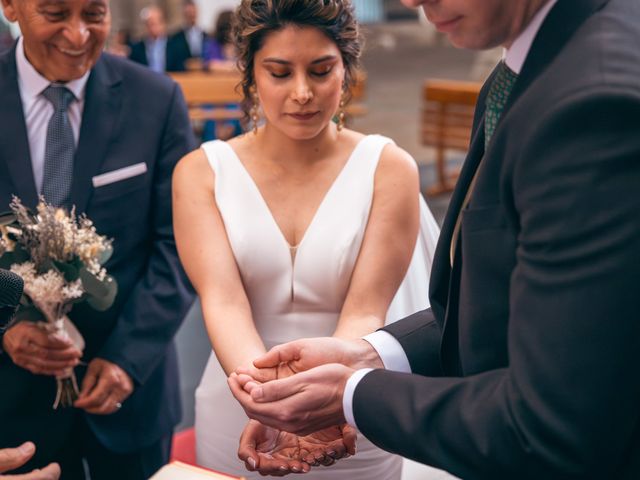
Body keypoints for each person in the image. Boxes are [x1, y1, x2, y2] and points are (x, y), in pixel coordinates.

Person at [229, 0, 640, 478]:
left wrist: (353, 394)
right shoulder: (527, 66)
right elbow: (504, 303)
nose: (410, 2)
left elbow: (552, 423)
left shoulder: (592, 101)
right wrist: (370, 354)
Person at [172, 0, 440, 478]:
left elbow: (365, 309)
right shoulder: (201, 173)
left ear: (346, 70)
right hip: (240, 398)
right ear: (251, 75)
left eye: (320, 71)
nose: (302, 93)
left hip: (350, 404)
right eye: (279, 72)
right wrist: (267, 402)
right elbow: (224, 303)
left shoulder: (389, 168)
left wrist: (324, 401)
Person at [0, 0, 195, 478]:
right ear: (10, 6)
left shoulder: (157, 99)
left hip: (129, 393)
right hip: (11, 399)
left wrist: (128, 358)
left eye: (94, 13)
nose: (79, 33)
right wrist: (6, 328)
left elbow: (182, 245)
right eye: (55, 13)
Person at [129, 6, 171, 73]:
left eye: (154, 24)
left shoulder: (174, 45)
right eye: (148, 24)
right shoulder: (137, 48)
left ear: (162, 24)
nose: (152, 28)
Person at [168, 0, 207, 72]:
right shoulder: (176, 38)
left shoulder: (206, 36)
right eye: (188, 14)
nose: (191, 16)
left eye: (193, 13)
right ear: (184, 14)